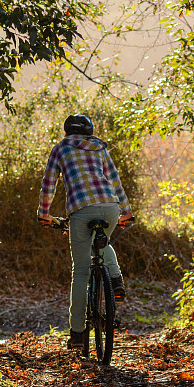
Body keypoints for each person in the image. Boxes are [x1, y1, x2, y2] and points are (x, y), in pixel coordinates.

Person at [37, 114, 133, 349]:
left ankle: (78, 335)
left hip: (81, 208)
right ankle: (115, 278)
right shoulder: (99, 147)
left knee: (81, 270)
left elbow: (49, 184)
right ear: (89, 131)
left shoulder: (61, 149)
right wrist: (126, 211)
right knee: (103, 242)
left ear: (67, 131)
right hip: (110, 206)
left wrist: (44, 214)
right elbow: (115, 180)